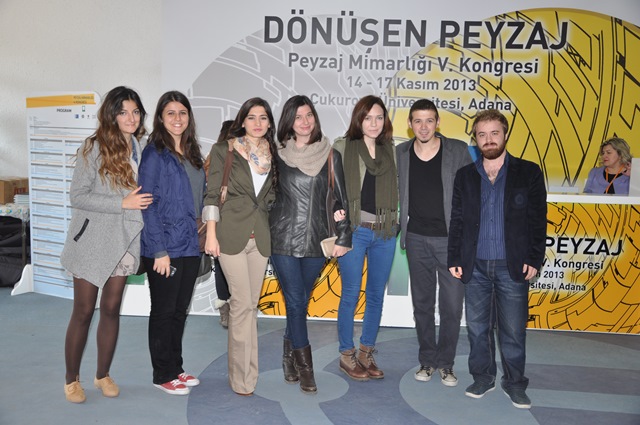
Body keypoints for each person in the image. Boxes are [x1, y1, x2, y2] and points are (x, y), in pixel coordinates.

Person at [447, 109, 547, 409]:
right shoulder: (465, 175)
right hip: (475, 265)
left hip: (511, 265)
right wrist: (454, 257)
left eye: (494, 133)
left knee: (513, 331)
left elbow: (537, 220)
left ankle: (515, 384)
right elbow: (457, 220)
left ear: (505, 135)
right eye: (482, 134)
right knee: (477, 328)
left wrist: (534, 258)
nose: (488, 139)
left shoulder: (528, 172)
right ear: (475, 139)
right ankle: (483, 377)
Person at [60, 86, 152, 403]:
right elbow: (78, 196)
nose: (131, 118)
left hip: (125, 240)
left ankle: (102, 375)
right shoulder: (94, 147)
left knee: (111, 310)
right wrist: (121, 203)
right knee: (84, 311)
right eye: (123, 112)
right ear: (111, 115)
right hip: (93, 240)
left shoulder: (141, 147)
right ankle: (71, 380)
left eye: (135, 111)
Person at [269, 95, 351, 394]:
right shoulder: (277, 156)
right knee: (294, 302)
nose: (304, 122)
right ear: (289, 122)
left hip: (317, 242)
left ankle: (288, 354)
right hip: (282, 240)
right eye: (298, 117)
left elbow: (341, 200)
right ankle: (306, 368)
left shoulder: (331, 156)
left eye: (309, 115)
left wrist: (344, 236)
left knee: (300, 303)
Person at [203, 98, 278, 396]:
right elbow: (211, 195)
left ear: (269, 123)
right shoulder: (225, 150)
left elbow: (269, 199)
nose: (257, 123)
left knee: (249, 307)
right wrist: (211, 235)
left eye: (263, 117)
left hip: (260, 238)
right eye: (251, 117)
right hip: (230, 235)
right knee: (242, 305)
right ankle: (240, 377)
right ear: (242, 121)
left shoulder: (273, 155)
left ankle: (249, 372)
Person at [396, 99, 472, 387]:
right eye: (418, 121)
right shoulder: (401, 153)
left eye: (429, 120)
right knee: (423, 305)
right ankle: (427, 360)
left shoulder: (458, 150)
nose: (424, 126)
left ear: (438, 122)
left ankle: (446, 364)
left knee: (452, 306)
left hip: (450, 242)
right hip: (416, 239)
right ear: (410, 124)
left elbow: (471, 194)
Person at [138, 91, 205, 396]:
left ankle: (176, 368)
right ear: (161, 118)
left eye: (182, 113)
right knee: (164, 311)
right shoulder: (154, 153)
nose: (177, 119)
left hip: (190, 244)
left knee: (179, 311)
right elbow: (147, 204)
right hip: (165, 246)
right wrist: (159, 251)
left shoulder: (192, 153)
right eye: (171, 113)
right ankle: (162, 374)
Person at [332, 95, 398, 381]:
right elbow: (331, 189)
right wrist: (337, 221)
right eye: (368, 117)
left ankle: (366, 352)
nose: (374, 123)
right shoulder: (342, 146)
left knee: (375, 296)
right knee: (350, 293)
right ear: (358, 119)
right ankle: (346, 354)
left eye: (379, 117)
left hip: (385, 231)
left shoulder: (391, 150)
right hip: (355, 230)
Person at [203, 120, 234, 328]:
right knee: (222, 264)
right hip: (220, 217)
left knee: (222, 265)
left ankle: (228, 308)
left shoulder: (211, 156)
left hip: (225, 217)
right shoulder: (216, 155)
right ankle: (227, 308)